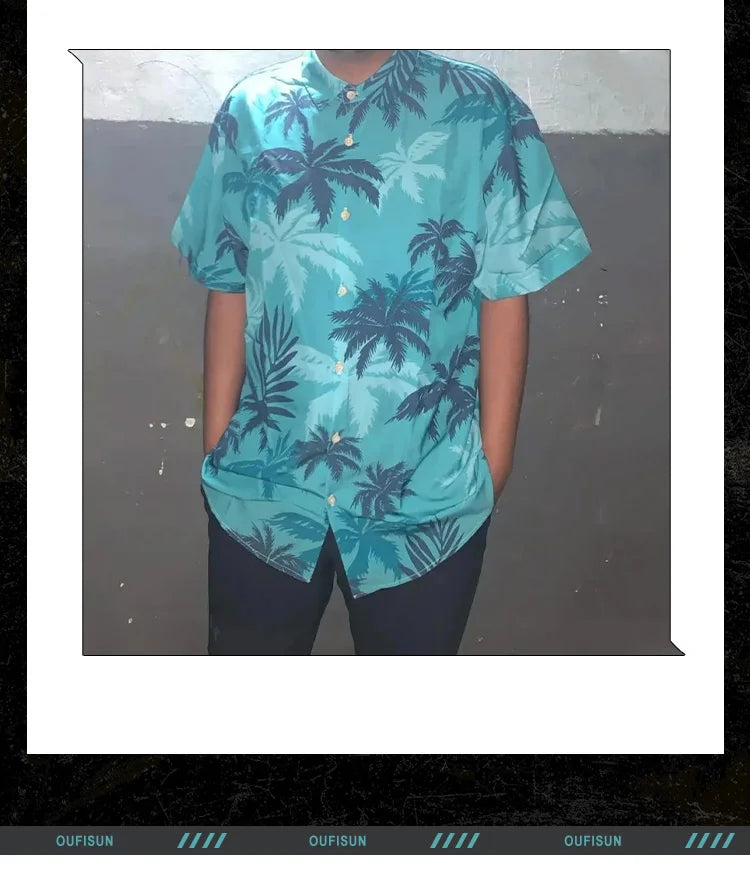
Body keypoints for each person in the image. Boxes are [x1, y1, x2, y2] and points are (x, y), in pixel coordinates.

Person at [170, 49, 591, 656]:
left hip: (428, 501)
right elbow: (230, 283)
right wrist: (218, 442)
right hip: (260, 492)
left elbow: (504, 290)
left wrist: (492, 467)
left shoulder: (480, 108)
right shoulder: (250, 109)